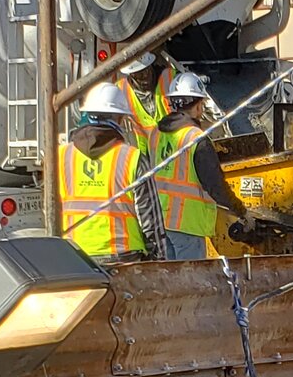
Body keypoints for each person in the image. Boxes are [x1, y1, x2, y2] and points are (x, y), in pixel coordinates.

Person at [144, 68, 249, 259]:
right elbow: (215, 186)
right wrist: (241, 211)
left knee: (171, 281)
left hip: (161, 221)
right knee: (191, 282)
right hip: (188, 225)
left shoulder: (155, 134)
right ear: (199, 106)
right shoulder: (196, 139)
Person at [56, 82, 149, 261]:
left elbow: (50, 207)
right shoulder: (131, 157)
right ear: (119, 118)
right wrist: (157, 257)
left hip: (76, 255)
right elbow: (148, 216)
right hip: (124, 254)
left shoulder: (61, 155)